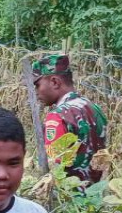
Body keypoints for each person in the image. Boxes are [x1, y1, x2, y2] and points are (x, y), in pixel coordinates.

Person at [32, 54, 107, 186]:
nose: (36, 92)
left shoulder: (57, 117)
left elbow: (55, 167)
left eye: (37, 85)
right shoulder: (94, 108)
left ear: (55, 82)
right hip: (95, 194)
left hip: (70, 197)